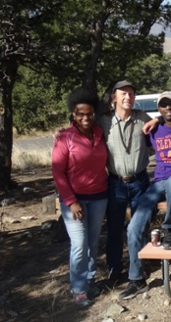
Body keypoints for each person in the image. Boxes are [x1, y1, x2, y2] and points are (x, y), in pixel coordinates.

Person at [120, 92, 171, 300]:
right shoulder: (153, 129)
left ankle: (169, 228)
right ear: (159, 109)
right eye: (163, 105)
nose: (168, 108)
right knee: (134, 226)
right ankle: (136, 279)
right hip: (157, 184)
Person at [52, 88, 107, 307]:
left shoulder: (100, 133)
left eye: (89, 113)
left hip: (100, 197)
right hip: (74, 201)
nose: (85, 118)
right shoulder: (65, 138)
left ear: (95, 113)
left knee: (93, 243)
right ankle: (78, 288)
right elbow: (58, 172)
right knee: (79, 244)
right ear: (73, 115)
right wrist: (71, 201)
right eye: (80, 114)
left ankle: (90, 280)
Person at [96, 81, 152, 286]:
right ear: (114, 97)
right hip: (115, 183)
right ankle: (114, 269)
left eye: (131, 93)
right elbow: (80, 126)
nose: (128, 97)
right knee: (114, 229)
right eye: (123, 94)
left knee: (140, 226)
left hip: (140, 181)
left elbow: (163, 123)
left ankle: (142, 263)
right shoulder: (103, 121)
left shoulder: (143, 118)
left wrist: (156, 122)